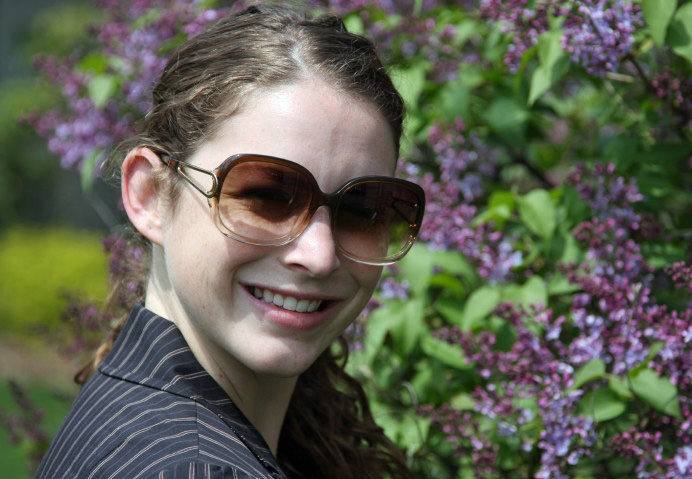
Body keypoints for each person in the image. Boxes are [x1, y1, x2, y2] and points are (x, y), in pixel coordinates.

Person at [35, 4, 425, 479]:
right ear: (150, 195)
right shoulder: (193, 468)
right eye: (266, 196)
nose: (320, 256)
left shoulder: (137, 409)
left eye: (363, 209)